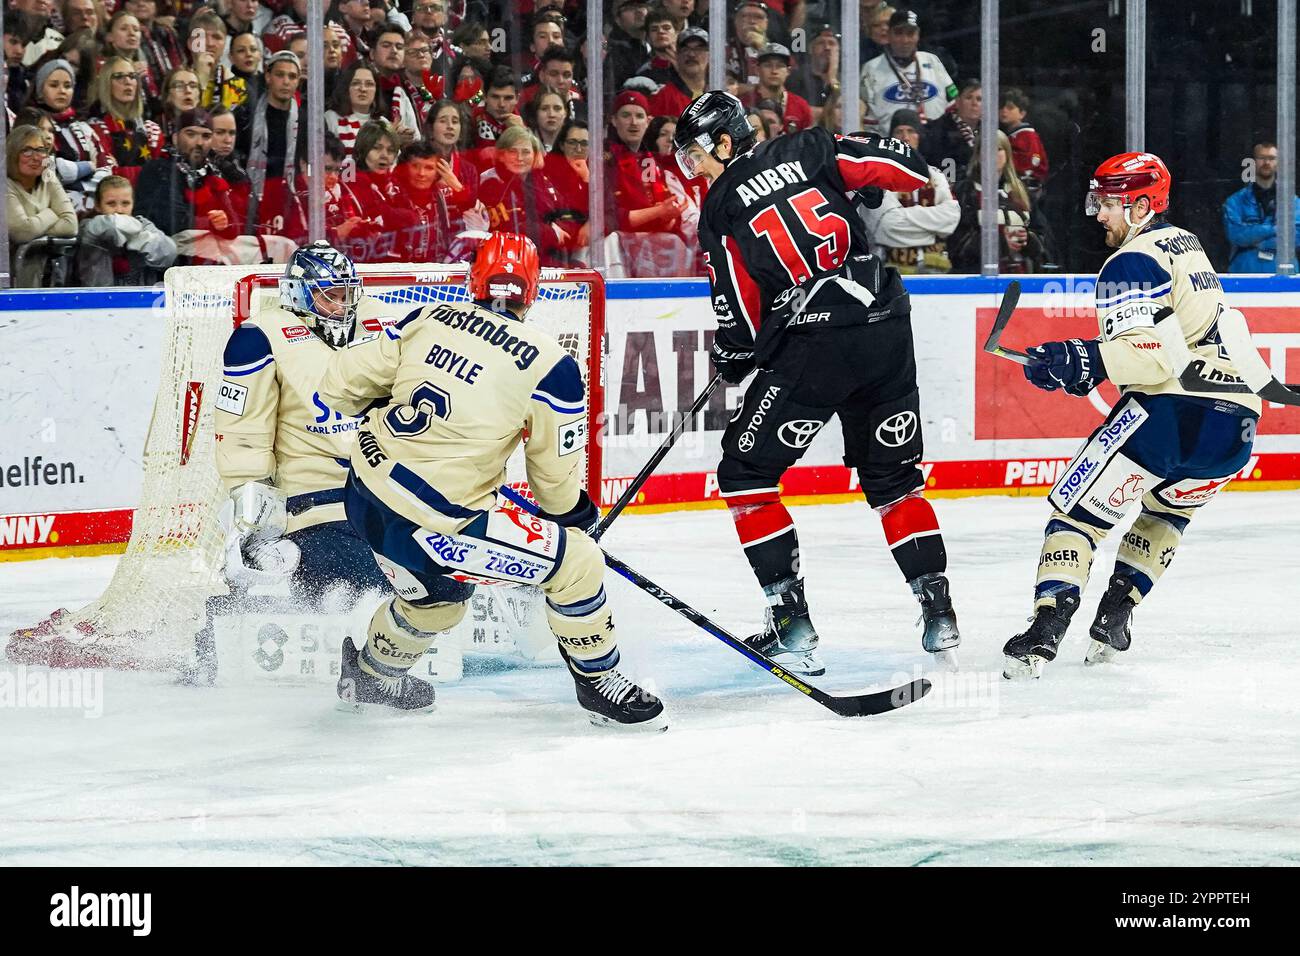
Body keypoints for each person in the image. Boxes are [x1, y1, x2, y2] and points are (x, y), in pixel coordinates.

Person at [317, 232, 667, 727]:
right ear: (533, 291)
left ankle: (371, 678)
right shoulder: (551, 365)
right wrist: (572, 515)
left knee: (438, 601)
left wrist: (382, 403)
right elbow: (552, 477)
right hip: (432, 524)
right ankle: (599, 683)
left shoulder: (427, 318)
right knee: (578, 562)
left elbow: (337, 386)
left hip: (363, 491)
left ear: (472, 281)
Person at [673, 91, 961, 673]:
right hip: (884, 327)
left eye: (697, 156)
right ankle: (940, 613)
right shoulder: (811, 146)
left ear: (726, 142)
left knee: (746, 474)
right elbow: (907, 168)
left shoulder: (722, 206)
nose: (696, 169)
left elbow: (740, 308)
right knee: (894, 480)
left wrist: (735, 353)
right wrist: (867, 187)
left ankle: (791, 622)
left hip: (815, 347)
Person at [1002, 152, 1263, 678]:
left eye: (1109, 203)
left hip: (1168, 413)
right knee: (1168, 511)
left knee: (1077, 514)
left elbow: (1152, 354)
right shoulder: (1187, 243)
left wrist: (1083, 358)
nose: (1098, 214)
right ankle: (1116, 612)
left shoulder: (1131, 259)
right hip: (1236, 429)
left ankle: (1047, 627)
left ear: (1143, 205)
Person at [211, 242, 393, 643]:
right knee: (360, 585)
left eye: (347, 293)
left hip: (388, 496)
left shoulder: (386, 325)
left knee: (439, 575)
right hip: (316, 505)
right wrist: (253, 527)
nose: (342, 304)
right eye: (330, 295)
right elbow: (242, 435)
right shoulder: (260, 338)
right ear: (298, 293)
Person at [859, 108, 958, 274]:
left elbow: (952, 218)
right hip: (890, 270)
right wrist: (931, 230)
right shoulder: (879, 177)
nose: (905, 137)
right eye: (899, 131)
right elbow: (886, 226)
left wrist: (906, 220)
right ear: (891, 138)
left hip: (935, 270)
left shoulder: (935, 175)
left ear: (919, 136)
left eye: (911, 131)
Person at [948, 128, 1043, 274]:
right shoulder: (964, 191)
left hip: (1021, 278)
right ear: (978, 155)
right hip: (975, 277)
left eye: (998, 149)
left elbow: (1042, 236)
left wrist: (1028, 239)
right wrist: (1001, 243)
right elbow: (956, 243)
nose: (993, 155)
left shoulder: (1022, 191)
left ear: (1007, 154)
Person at [860, 8, 955, 132]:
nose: (905, 40)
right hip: (890, 145)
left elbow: (953, 102)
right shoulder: (871, 68)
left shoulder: (932, 61)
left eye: (910, 33)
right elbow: (864, 115)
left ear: (918, 35)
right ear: (888, 35)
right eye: (899, 33)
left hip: (933, 145)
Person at [6, 125, 78, 287]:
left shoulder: (48, 176)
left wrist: (34, 226)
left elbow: (71, 225)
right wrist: (52, 213)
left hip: (42, 276)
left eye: (40, 150)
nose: (36, 157)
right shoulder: (5, 184)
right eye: (27, 150)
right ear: (12, 154)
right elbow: (22, 232)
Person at [75, 174, 177, 285]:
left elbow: (169, 254)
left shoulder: (143, 224)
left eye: (125, 203)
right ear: (98, 205)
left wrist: (141, 239)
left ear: (133, 204)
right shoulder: (88, 226)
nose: (119, 210)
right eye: (111, 204)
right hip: (99, 300)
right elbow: (108, 226)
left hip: (140, 299)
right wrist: (130, 229)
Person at [86, 55, 166, 183]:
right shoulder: (95, 128)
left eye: (132, 76)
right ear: (106, 84)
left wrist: (125, 171)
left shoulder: (151, 130)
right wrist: (148, 172)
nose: (128, 81)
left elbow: (163, 176)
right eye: (119, 76)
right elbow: (109, 177)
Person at [1223, 142, 1300, 273]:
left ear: (1278, 162)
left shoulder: (1293, 202)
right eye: (1261, 158)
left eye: (1271, 158)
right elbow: (1236, 234)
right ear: (1253, 162)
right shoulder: (1235, 201)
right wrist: (1274, 229)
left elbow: (1295, 238)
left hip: (1285, 274)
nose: (1266, 162)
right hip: (1244, 273)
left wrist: (1259, 242)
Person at [740, 43, 812, 135]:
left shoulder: (801, 106)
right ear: (757, 70)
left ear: (788, 71)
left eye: (780, 66)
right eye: (768, 65)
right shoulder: (743, 104)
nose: (774, 71)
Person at [998, 87, 1049, 197]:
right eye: (1001, 107)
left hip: (1026, 190)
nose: (1004, 110)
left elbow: (1028, 163)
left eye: (1010, 108)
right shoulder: (1010, 135)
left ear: (1022, 113)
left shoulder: (1028, 136)